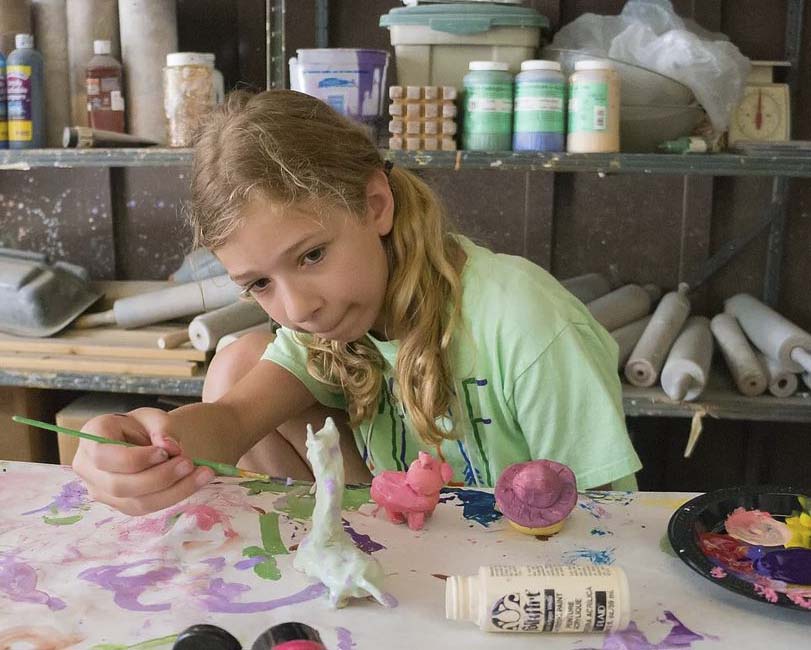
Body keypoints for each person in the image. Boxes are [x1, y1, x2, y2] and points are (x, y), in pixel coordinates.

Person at [72, 90, 642, 515]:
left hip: (524, 569)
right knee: (237, 363)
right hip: (408, 546)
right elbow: (233, 420)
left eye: (313, 255)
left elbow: (608, 526)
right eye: (259, 285)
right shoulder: (330, 322)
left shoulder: (524, 321)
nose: (298, 309)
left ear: (375, 204)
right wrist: (141, 440)